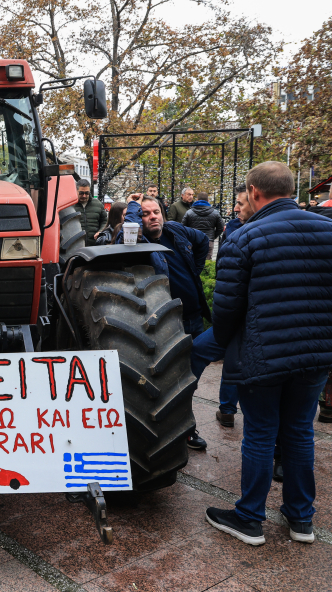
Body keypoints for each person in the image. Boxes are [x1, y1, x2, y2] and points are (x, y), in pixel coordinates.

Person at [204, 161, 332, 547]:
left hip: (263, 356)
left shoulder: (244, 238)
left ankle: (249, 519)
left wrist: (220, 346)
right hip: (315, 356)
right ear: (292, 190)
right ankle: (301, 520)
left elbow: (226, 308)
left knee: (260, 434)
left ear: (254, 192)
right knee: (299, 432)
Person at [118, 193, 211, 450]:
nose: (152, 217)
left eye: (155, 212)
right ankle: (180, 431)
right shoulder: (139, 243)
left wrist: (197, 268)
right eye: (145, 214)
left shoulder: (176, 231)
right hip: (166, 323)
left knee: (188, 379)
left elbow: (202, 240)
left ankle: (185, 427)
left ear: (163, 212)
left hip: (192, 318)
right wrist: (133, 206)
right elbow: (124, 239)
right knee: (171, 381)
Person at [190, 185, 253, 429]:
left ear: (256, 198)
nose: (235, 208)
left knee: (229, 358)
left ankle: (226, 409)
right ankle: (219, 409)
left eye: (241, 203)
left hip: (244, 318)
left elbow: (230, 288)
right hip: (238, 317)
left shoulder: (245, 235)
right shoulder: (235, 228)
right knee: (211, 353)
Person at [182, 192, 224, 258]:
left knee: (193, 261)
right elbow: (220, 228)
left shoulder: (189, 212)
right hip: (208, 241)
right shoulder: (215, 213)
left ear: (197, 200)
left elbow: (183, 227)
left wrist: (190, 236)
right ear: (208, 201)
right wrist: (213, 236)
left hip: (193, 241)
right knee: (206, 262)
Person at [72, 179, 107, 245]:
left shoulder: (98, 204)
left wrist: (100, 231)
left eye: (87, 193)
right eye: (81, 193)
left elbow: (105, 221)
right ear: (76, 191)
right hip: (75, 245)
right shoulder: (70, 205)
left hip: (95, 245)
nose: (84, 196)